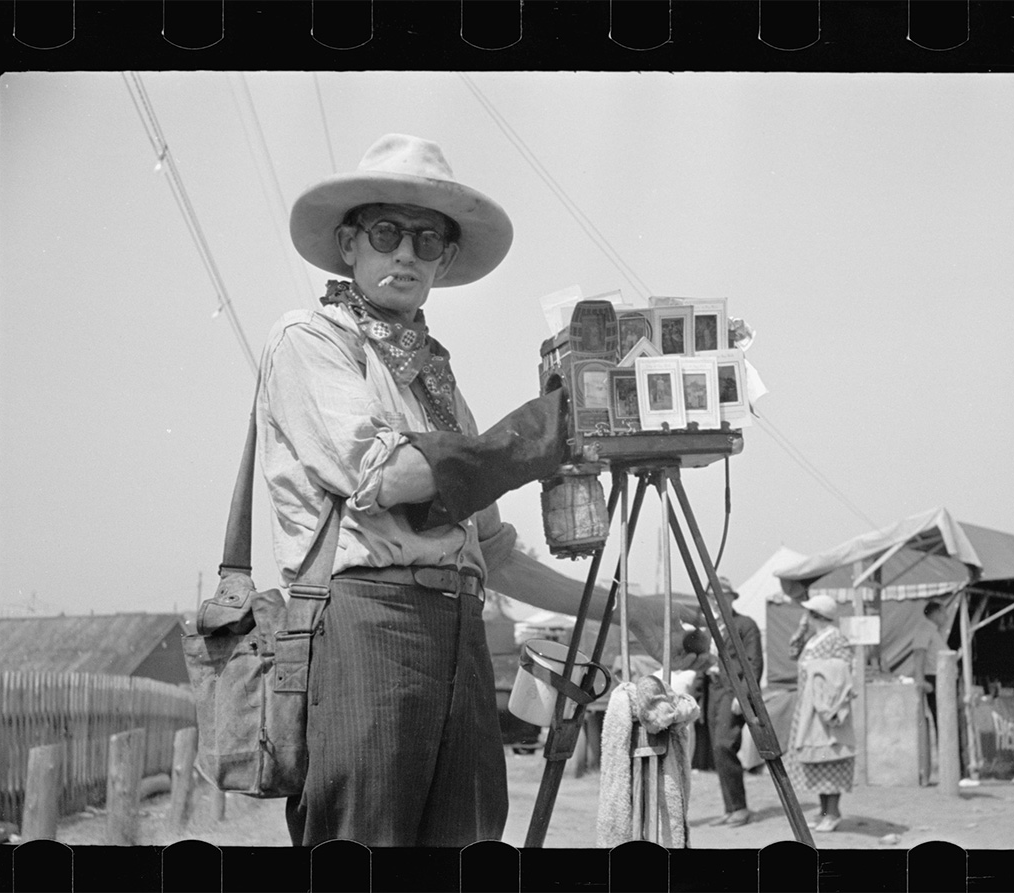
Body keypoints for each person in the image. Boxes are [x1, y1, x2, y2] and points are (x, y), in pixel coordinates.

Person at [263, 133, 706, 847]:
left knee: (469, 843)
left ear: (442, 260)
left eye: (426, 239)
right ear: (350, 243)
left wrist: (627, 608)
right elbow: (390, 477)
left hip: (459, 629)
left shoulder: (440, 386)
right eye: (386, 233)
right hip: (368, 624)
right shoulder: (310, 340)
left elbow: (495, 553)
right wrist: (548, 427)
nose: (406, 253)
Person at [786, 593, 855, 833]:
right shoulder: (813, 638)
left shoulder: (836, 638)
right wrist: (801, 631)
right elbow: (793, 652)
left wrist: (816, 669)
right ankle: (824, 811)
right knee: (815, 759)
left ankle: (833, 812)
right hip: (808, 708)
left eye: (809, 613)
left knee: (830, 756)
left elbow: (845, 669)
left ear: (816, 615)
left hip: (826, 708)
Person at [705, 577, 763, 827]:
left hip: (733, 690)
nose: (716, 601)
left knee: (723, 745)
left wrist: (744, 695)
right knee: (717, 750)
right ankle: (730, 808)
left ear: (730, 598)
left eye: (721, 596)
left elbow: (753, 663)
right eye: (711, 597)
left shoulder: (745, 625)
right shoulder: (709, 627)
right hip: (714, 690)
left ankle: (739, 808)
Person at [917, 601, 948, 743]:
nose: (946, 616)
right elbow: (919, 653)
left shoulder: (936, 632)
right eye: (943, 612)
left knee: (946, 718)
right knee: (941, 718)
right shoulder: (925, 630)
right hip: (933, 678)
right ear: (936, 613)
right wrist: (921, 680)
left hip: (943, 679)